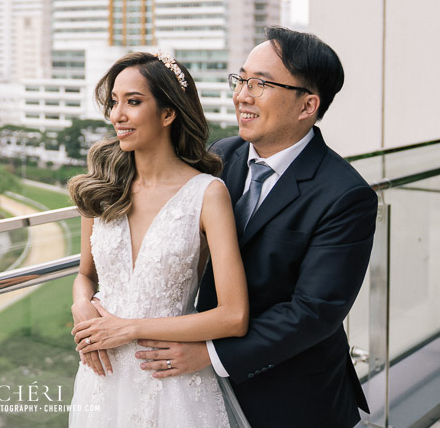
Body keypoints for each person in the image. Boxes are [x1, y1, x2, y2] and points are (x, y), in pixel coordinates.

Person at [133, 27, 378, 428]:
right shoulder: (219, 156)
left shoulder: (346, 195)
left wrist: (209, 353)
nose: (242, 95)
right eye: (242, 79)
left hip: (291, 395)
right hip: (193, 390)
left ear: (307, 105)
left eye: (261, 84)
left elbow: (314, 312)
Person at [67, 51, 251, 427]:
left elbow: (234, 316)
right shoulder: (102, 188)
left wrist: (129, 328)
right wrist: (81, 305)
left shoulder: (207, 194)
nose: (118, 114)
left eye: (133, 102)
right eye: (115, 102)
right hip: (102, 378)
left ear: (168, 114)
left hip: (171, 381)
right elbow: (85, 275)